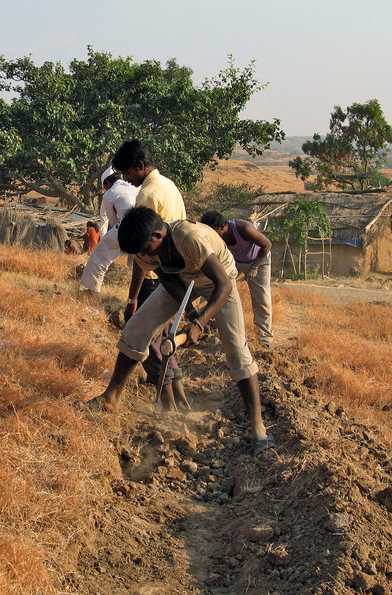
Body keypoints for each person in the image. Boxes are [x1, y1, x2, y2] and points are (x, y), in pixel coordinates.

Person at [87, 206, 275, 454]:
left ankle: (258, 426)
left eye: (144, 249)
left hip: (220, 279)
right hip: (182, 280)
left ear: (157, 235)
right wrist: (189, 311)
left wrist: (200, 323)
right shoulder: (144, 249)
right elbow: (165, 276)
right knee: (136, 328)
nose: (142, 255)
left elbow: (223, 284)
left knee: (236, 349)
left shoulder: (189, 237)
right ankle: (111, 397)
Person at [113, 140, 190, 413]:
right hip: (174, 272)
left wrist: (132, 297)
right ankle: (180, 401)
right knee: (164, 342)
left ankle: (167, 408)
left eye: (127, 173)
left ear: (140, 166)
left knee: (148, 343)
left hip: (154, 277)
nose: (126, 180)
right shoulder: (168, 185)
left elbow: (141, 254)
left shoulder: (146, 196)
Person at [199, 210, 274, 348]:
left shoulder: (243, 228)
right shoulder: (217, 238)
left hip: (258, 260)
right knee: (213, 287)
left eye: (212, 231)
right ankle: (203, 324)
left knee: (261, 299)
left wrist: (254, 267)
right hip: (235, 262)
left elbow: (267, 245)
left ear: (222, 227)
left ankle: (265, 337)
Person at [80, 166, 139, 293]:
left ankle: (92, 290)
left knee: (99, 256)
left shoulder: (109, 194)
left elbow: (112, 221)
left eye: (104, 186)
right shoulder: (134, 186)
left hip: (125, 228)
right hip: (143, 227)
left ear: (107, 182)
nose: (105, 189)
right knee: (138, 260)